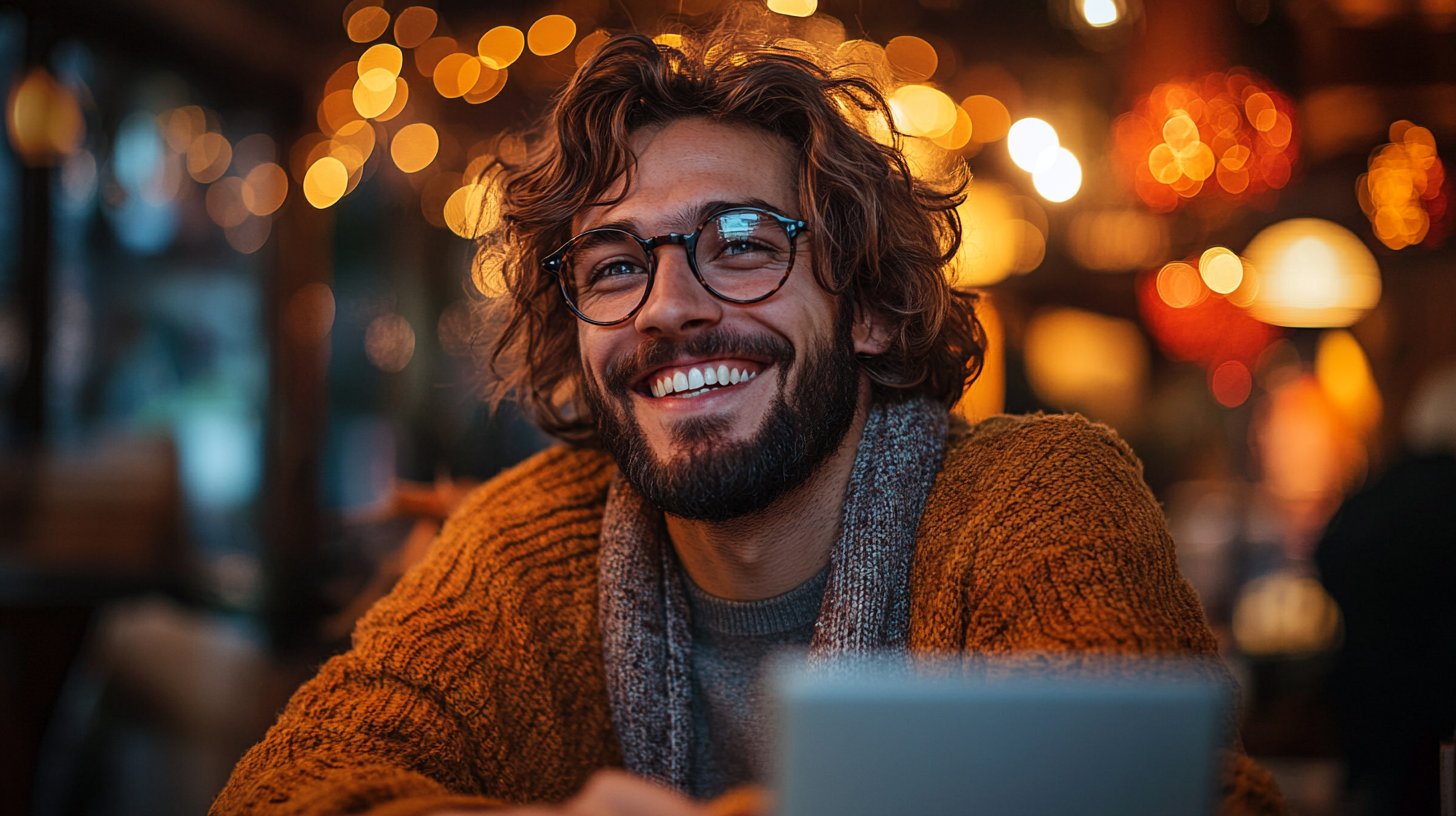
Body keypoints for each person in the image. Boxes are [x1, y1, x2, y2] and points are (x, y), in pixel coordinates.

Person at [212, 19, 1285, 816]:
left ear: (865, 305)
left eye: (740, 244)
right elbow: (278, 794)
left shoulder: (1034, 500)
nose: (670, 307)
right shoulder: (522, 541)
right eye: (617, 264)